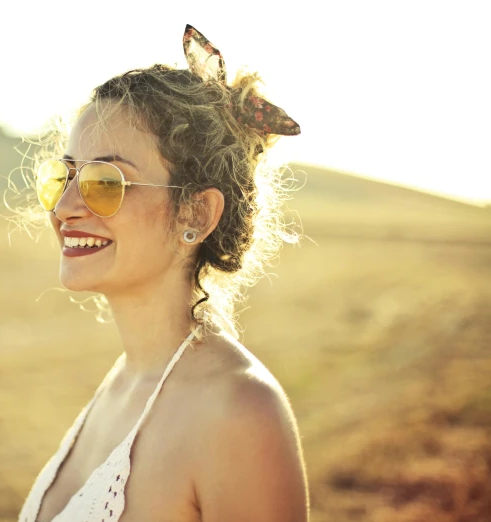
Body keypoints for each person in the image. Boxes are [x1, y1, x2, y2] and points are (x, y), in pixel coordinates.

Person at [16, 24, 308, 522]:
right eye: (64, 177)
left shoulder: (239, 411)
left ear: (196, 214)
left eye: (105, 182)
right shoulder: (124, 380)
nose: (65, 208)